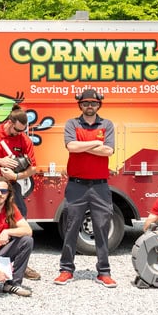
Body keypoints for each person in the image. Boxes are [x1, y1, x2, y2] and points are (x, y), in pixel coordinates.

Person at [55, 88, 117, 288]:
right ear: (80, 105)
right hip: (76, 185)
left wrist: (83, 144)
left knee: (101, 228)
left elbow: (108, 151)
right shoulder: (72, 123)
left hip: (100, 186)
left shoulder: (107, 124)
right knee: (71, 227)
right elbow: (71, 147)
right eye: (85, 103)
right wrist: (95, 142)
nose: (89, 106)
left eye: (93, 103)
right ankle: (66, 270)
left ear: (99, 104)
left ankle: (104, 272)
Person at [0, 105, 41, 280]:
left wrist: (17, 175)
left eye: (22, 131)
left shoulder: (23, 139)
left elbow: (34, 168)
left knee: (18, 223)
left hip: (11, 187)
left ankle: (20, 265)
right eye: (16, 130)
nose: (19, 134)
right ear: (10, 122)